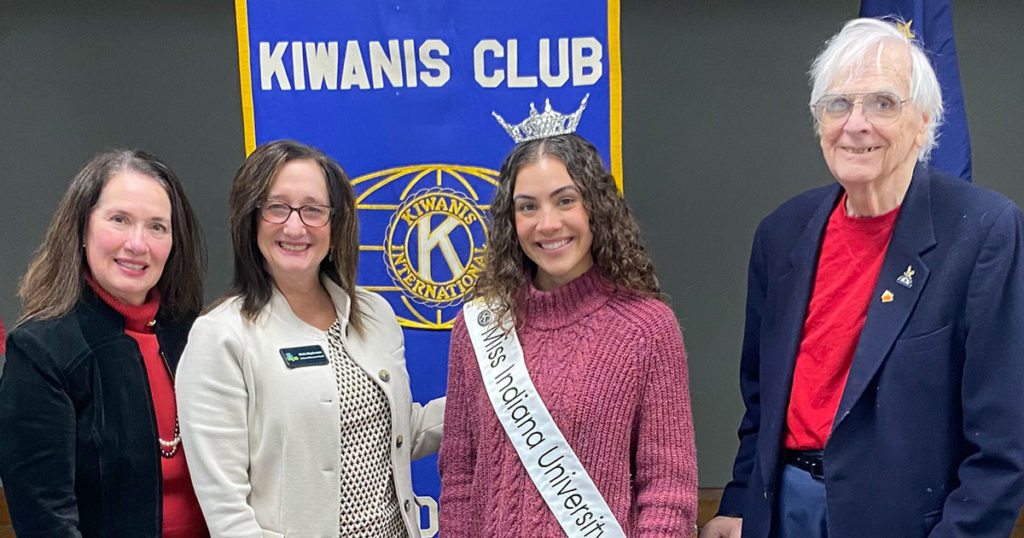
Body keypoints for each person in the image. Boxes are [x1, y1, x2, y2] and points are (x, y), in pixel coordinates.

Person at [700, 18, 1024, 538]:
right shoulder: (780, 234)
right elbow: (761, 401)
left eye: (883, 103)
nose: (856, 124)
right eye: (838, 104)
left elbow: (1004, 444)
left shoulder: (984, 232)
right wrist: (738, 503)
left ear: (924, 122)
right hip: (783, 513)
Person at [175, 139, 444, 537]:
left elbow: (397, 433)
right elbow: (229, 516)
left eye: (313, 210)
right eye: (277, 207)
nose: (295, 226)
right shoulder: (220, 337)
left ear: (336, 226)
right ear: (251, 220)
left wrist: (489, 398)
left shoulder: (375, 315)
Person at [439, 133, 698, 536]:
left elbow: (668, 490)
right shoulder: (479, 326)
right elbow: (459, 477)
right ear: (511, 221)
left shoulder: (647, 329)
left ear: (595, 207)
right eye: (528, 207)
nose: (548, 224)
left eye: (565, 200)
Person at [0, 150, 207, 538]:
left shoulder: (198, 334)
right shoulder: (39, 352)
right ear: (82, 228)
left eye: (157, 227)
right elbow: (46, 519)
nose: (137, 243)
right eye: (119, 219)